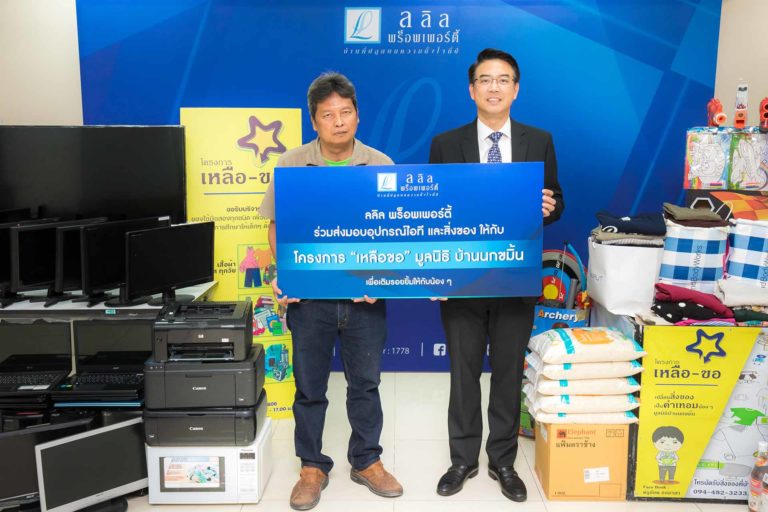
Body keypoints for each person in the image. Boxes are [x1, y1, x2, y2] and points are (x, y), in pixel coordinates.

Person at [258, 72, 403, 511]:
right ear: (314, 121)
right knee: (309, 387)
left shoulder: (381, 164)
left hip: (364, 300)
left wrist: (382, 279)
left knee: (366, 384)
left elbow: (396, 233)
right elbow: (276, 226)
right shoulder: (291, 164)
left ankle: (366, 460)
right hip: (310, 300)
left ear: (357, 115)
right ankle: (312, 467)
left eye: (346, 112)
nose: (338, 122)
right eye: (328, 115)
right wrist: (286, 274)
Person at [428, 48, 564, 502]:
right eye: (485, 80)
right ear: (472, 90)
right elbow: (433, 210)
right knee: (463, 373)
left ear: (516, 89)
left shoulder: (538, 141)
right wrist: (435, 274)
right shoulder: (446, 144)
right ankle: (462, 459)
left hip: (515, 275)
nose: (494, 87)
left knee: (507, 373)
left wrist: (548, 206)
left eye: (503, 79)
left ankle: (502, 461)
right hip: (462, 278)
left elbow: (556, 200)